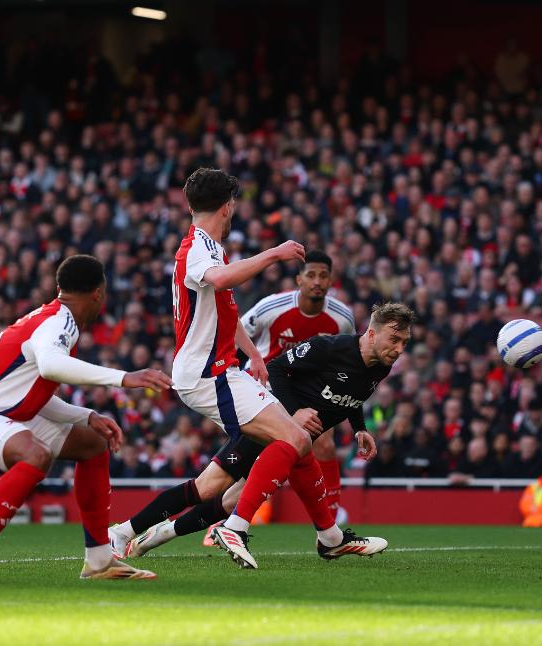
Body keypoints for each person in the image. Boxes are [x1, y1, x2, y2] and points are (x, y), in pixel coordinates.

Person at [109, 167, 382, 570]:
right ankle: (239, 527)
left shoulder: (210, 247)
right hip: (207, 375)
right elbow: (218, 280)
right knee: (292, 439)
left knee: (238, 471)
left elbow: (223, 307)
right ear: (228, 206)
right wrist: (273, 253)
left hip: (225, 371)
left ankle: (126, 532)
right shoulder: (196, 250)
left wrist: (253, 354)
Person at [0, 254, 173, 584]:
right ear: (99, 293)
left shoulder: (52, 318)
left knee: (93, 443)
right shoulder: (60, 322)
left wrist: (86, 415)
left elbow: (35, 393)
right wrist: (123, 377)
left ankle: (100, 560)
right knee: (36, 454)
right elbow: (50, 366)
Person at [115, 303, 412, 560]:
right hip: (267, 421)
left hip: (290, 442)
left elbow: (350, 395)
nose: (399, 349)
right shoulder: (330, 347)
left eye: (404, 342)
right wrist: (294, 411)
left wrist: (359, 428)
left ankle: (156, 536)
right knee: (205, 489)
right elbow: (278, 368)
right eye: (394, 339)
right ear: (371, 333)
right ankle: (124, 531)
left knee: (230, 502)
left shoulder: (380, 364)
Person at [238, 249, 355, 521]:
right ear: (298, 280)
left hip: (309, 390)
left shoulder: (342, 318)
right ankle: (231, 512)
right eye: (311, 275)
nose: (317, 281)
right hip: (265, 385)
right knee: (256, 451)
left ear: (330, 281)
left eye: (323, 276)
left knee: (324, 443)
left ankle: (331, 513)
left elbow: (346, 358)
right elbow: (237, 331)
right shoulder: (272, 307)